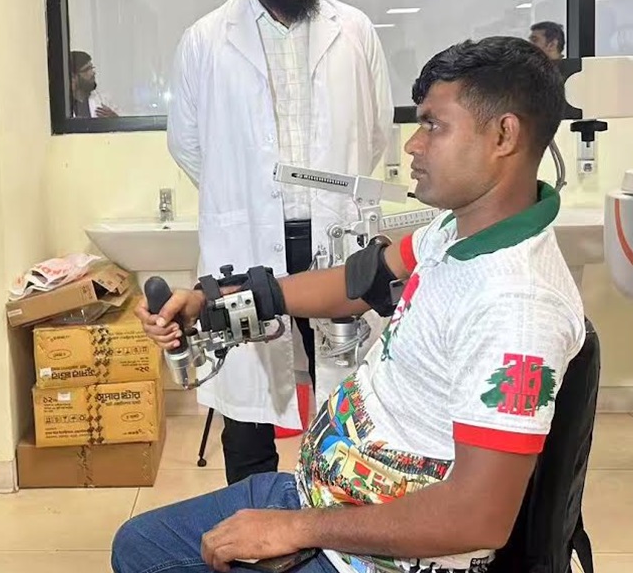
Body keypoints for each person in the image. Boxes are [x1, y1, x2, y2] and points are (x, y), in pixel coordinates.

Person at [120, 36, 585, 573]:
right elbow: (356, 281)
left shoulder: (518, 306)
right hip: (323, 498)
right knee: (137, 545)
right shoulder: (454, 231)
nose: (413, 145)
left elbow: (477, 517)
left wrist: (295, 528)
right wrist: (210, 303)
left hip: (372, 555)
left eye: (433, 125)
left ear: (504, 135)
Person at [165, 0, 393, 486]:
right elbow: (188, 145)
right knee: (248, 421)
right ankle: (254, 524)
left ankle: (337, 523)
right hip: (245, 246)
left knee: (346, 410)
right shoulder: (206, 40)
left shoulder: (356, 32)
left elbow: (374, 135)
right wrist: (247, 199)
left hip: (334, 246)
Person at [68, 50, 118, 118]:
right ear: (73, 77)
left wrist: (115, 119)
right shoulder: (65, 104)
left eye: (91, 68)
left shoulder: (104, 100)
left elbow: (122, 123)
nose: (93, 73)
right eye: (87, 69)